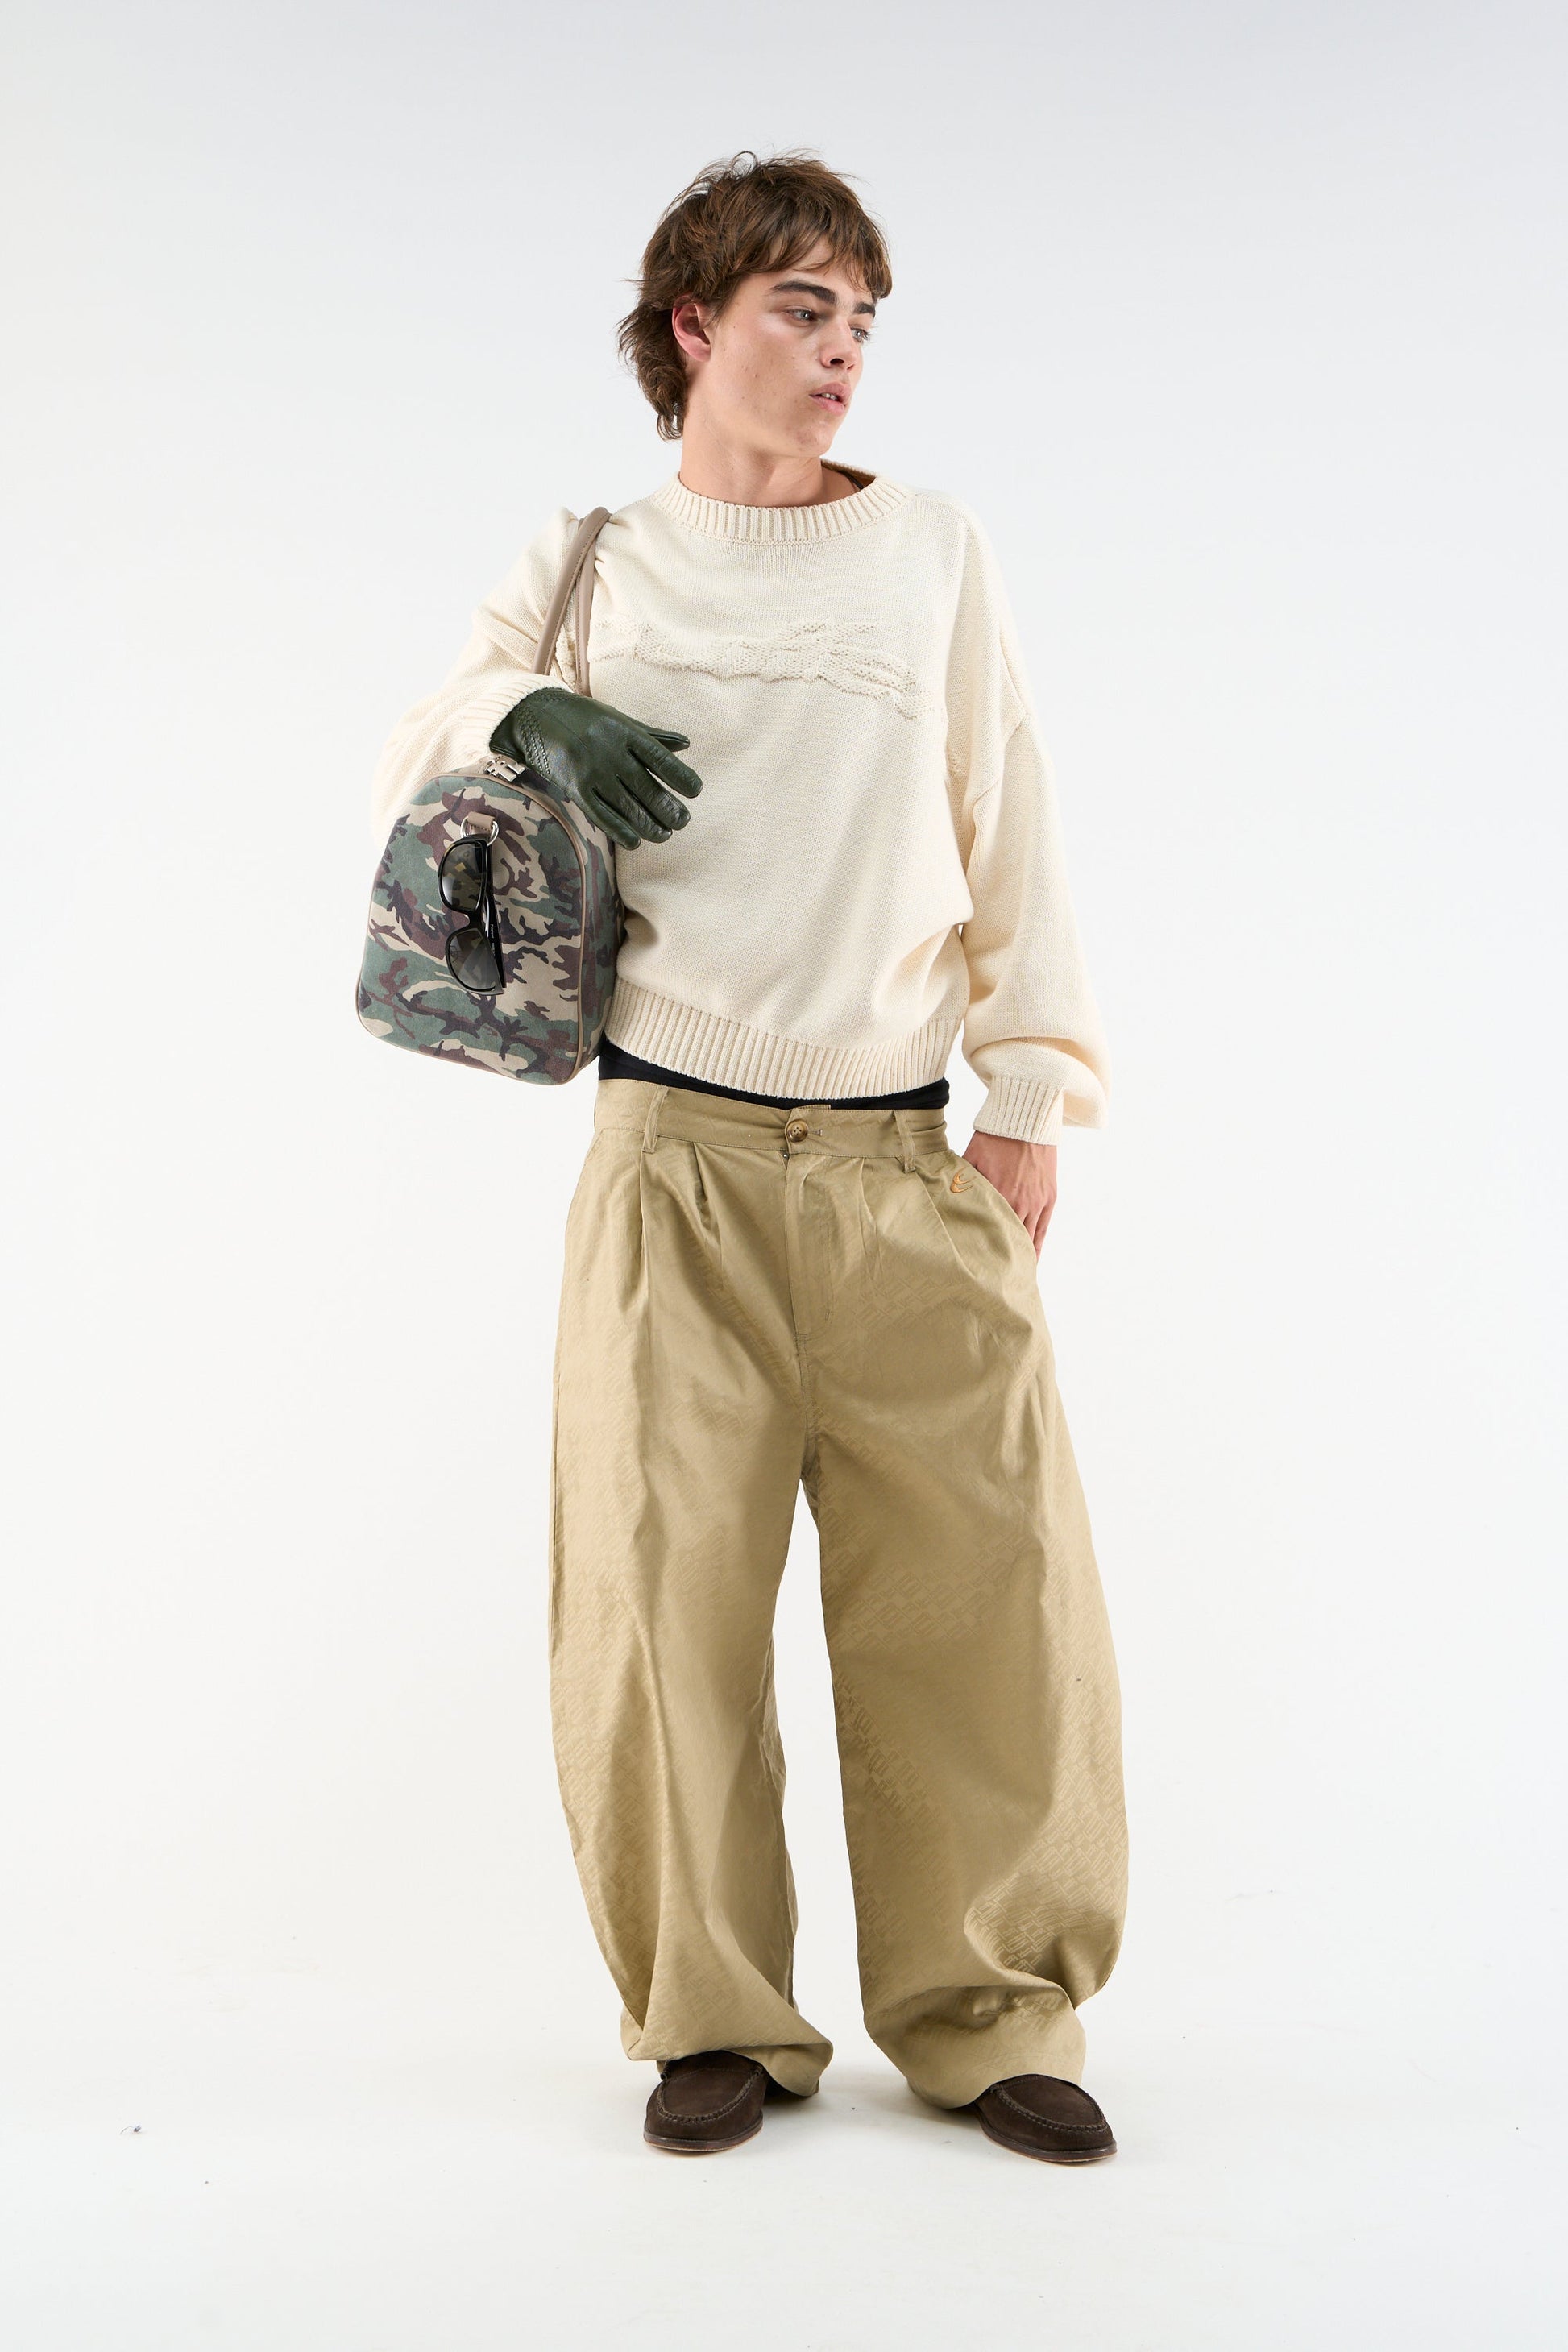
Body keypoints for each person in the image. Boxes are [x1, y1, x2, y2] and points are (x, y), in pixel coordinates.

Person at [369, 150, 1127, 2163]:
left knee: (988, 1594)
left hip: (900, 1158)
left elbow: (1010, 811)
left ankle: (991, 2005)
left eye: (864, 316)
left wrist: (1030, 1095)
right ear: (695, 325)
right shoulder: (595, 556)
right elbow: (411, 742)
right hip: (667, 1153)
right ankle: (710, 2010)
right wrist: (531, 712)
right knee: (654, 1600)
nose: (844, 348)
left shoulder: (928, 547)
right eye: (804, 307)